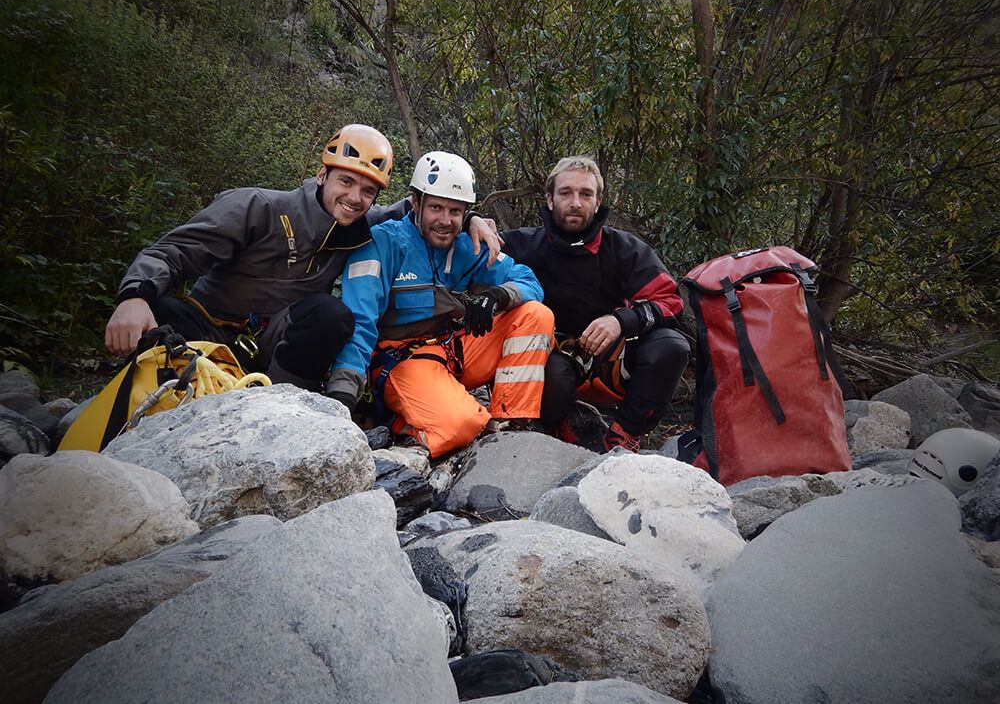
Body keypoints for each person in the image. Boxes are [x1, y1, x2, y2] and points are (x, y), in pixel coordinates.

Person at [104, 124, 500, 390]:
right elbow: (174, 251)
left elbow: (425, 214)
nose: (355, 197)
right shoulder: (257, 207)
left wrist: (473, 220)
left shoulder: (361, 226)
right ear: (322, 175)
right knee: (157, 309)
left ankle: (279, 403)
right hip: (207, 327)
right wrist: (134, 297)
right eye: (346, 180)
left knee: (332, 315)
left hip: (273, 341)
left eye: (367, 190)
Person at [326, 151, 554, 457]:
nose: (445, 221)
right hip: (402, 360)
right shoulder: (381, 244)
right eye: (436, 208)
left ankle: (510, 422)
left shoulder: (468, 245)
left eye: (456, 211)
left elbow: (530, 282)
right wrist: (342, 397)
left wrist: (498, 295)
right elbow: (360, 321)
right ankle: (403, 424)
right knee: (462, 425)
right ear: (416, 203)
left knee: (534, 315)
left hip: (454, 350)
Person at [500, 155, 690, 452]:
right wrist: (474, 221)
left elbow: (670, 301)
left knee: (672, 346)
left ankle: (624, 433)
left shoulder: (625, 249)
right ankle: (553, 425)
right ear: (549, 199)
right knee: (554, 376)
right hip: (554, 358)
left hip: (611, 357)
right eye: (566, 193)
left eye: (586, 194)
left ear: (598, 201)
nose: (575, 202)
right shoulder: (520, 245)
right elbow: (446, 229)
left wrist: (621, 320)